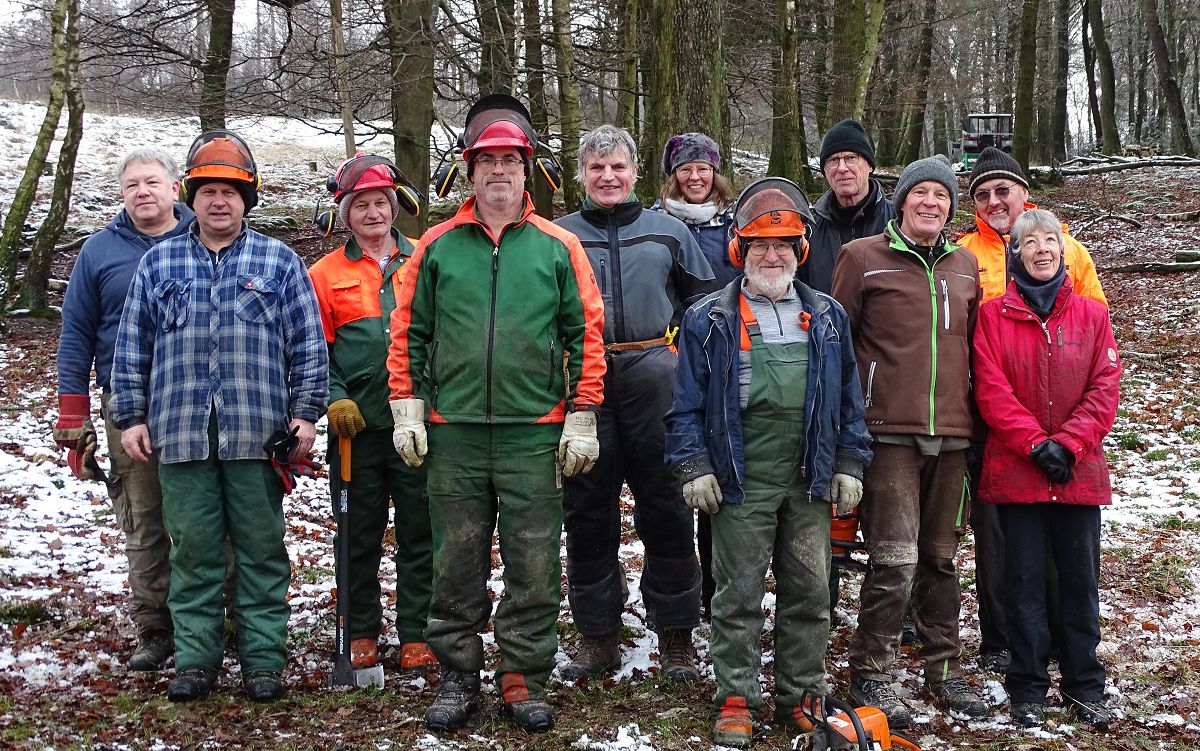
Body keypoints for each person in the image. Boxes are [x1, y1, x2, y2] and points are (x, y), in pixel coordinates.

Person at [385, 93, 606, 734]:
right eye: (488, 162)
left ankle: (522, 675)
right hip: (452, 434)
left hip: (533, 433)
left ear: (526, 168)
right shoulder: (436, 247)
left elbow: (584, 333)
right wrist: (407, 407)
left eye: (511, 160)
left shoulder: (559, 247)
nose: (500, 172)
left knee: (534, 562)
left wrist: (583, 413)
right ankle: (457, 673)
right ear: (469, 170)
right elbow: (408, 332)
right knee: (455, 559)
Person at [110, 130, 328, 703]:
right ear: (192, 196)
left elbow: (308, 345)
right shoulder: (159, 262)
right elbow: (131, 345)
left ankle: (262, 662)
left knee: (260, 551)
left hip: (258, 435)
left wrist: (306, 415)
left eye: (230, 191)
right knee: (195, 552)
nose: (218, 201)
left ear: (246, 198)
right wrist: (129, 416)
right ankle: (196, 660)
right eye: (208, 190)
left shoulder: (279, 261)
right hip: (179, 433)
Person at [665, 178, 873, 748]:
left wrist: (850, 463)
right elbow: (682, 405)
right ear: (740, 251)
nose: (772, 256)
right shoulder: (708, 320)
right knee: (737, 593)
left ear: (801, 251)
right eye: (760, 246)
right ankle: (735, 696)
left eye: (783, 246)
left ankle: (801, 693)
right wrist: (693, 466)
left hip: (808, 472)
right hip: (740, 472)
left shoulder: (828, 317)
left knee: (810, 589)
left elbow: (850, 401)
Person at [555, 124, 715, 683]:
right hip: (585, 384)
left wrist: (695, 381)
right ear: (582, 175)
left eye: (617, 167)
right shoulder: (558, 235)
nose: (607, 177)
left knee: (668, 506)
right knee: (587, 510)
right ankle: (597, 635)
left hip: (655, 375)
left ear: (634, 173)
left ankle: (675, 633)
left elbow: (706, 311)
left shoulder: (668, 233)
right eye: (596, 168)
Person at [831, 154, 987, 728]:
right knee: (894, 558)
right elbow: (836, 345)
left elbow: (977, 347)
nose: (931, 203)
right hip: (886, 431)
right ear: (902, 202)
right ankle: (873, 672)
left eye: (942, 197)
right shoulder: (862, 257)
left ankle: (942, 667)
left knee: (940, 559)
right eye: (921, 193)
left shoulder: (965, 264)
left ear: (951, 208)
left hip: (951, 430)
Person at [957, 146, 1108, 674]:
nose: (996, 201)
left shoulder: (1071, 252)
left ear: (1025, 193)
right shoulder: (964, 254)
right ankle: (1005, 642)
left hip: (1066, 425)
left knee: (1065, 551)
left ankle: (1066, 647)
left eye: (1004, 190)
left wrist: (1071, 436)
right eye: (984, 194)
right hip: (990, 423)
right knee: (1002, 543)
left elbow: (1093, 339)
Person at [972, 209, 1119, 731]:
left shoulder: (1092, 317)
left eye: (1050, 240)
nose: (1041, 249)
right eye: (1029, 242)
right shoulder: (992, 317)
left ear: (1064, 249)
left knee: (1080, 584)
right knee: (1025, 584)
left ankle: (1085, 686)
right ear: (1015, 253)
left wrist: (1071, 444)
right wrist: (1036, 445)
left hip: (1076, 473)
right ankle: (1028, 687)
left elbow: (1105, 388)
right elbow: (991, 390)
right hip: (1018, 472)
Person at [54, 147, 194, 672]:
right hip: (127, 404)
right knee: (144, 516)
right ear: (122, 193)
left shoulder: (203, 238)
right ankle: (155, 627)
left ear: (174, 188)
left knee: (208, 514)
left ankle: (214, 618)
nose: (143, 191)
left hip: (198, 400)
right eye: (133, 184)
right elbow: (75, 334)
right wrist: (74, 415)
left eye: (153, 182)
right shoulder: (99, 251)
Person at [308, 154, 435, 674]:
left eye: (381, 203)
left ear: (395, 207)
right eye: (361, 205)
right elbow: (313, 347)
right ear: (346, 213)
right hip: (354, 431)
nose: (373, 213)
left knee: (419, 531)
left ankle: (417, 631)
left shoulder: (424, 260)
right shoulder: (324, 273)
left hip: (416, 426)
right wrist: (333, 397)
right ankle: (359, 629)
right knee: (356, 534)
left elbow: (438, 338)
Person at [652, 131, 738, 622]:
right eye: (686, 169)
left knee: (716, 475)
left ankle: (713, 589)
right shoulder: (657, 223)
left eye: (703, 168)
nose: (695, 177)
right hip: (668, 357)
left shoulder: (733, 227)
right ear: (673, 175)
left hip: (723, 357)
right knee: (675, 478)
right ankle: (676, 587)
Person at [804, 119, 896, 294]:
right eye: (833, 160)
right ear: (825, 170)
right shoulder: (809, 227)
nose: (842, 168)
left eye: (851, 158)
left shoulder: (898, 222)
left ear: (869, 165)